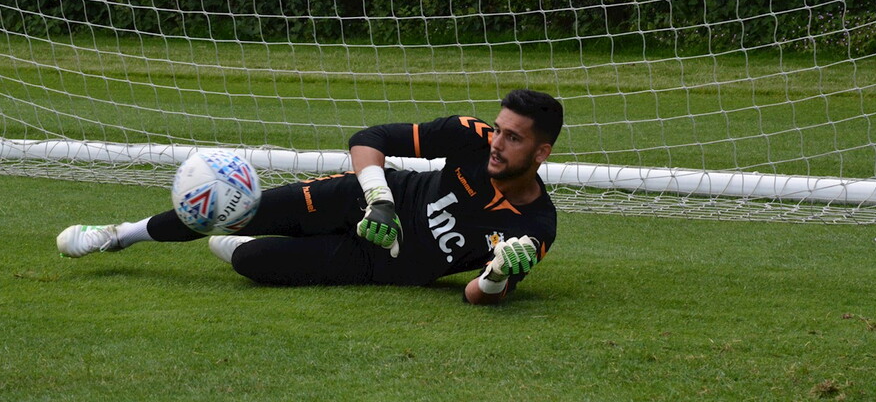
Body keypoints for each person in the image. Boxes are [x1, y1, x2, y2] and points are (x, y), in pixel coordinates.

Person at [57, 89, 563, 305]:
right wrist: (379, 199)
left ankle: (244, 244)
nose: (496, 143)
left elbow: (477, 296)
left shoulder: (536, 226)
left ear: (541, 152)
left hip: (381, 264)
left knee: (253, 262)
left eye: (513, 138)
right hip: (362, 199)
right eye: (498, 130)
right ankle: (118, 235)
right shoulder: (470, 136)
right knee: (236, 212)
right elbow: (370, 138)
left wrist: (497, 275)